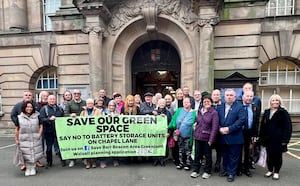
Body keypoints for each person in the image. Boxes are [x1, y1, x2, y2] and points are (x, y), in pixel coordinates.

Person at [259, 94, 292, 180]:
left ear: (280, 102)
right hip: (267, 139)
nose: (275, 102)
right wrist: (261, 138)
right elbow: (262, 126)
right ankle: (270, 170)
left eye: (277, 100)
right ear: (270, 102)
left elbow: (288, 127)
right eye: (273, 100)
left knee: (277, 156)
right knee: (269, 156)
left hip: (278, 139)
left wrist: (285, 140)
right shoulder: (266, 112)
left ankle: (276, 172)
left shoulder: (283, 112)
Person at [217, 89, 246, 182]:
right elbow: (215, 120)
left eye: (231, 95)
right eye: (227, 95)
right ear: (224, 97)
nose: (229, 97)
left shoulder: (240, 107)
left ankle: (231, 173)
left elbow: (241, 121)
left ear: (235, 97)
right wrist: (219, 128)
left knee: (234, 156)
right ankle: (225, 170)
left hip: (235, 136)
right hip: (222, 136)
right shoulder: (220, 107)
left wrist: (229, 129)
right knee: (224, 155)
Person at [10, 90, 43, 170]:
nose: (28, 96)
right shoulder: (17, 105)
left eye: (29, 95)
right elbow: (13, 115)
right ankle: (24, 163)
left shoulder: (37, 106)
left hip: (34, 131)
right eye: (26, 95)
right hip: (23, 132)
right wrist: (18, 124)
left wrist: (39, 133)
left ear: (32, 96)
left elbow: (40, 119)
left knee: (35, 148)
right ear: (23, 96)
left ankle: (36, 161)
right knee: (24, 149)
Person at [190, 96, 219, 179]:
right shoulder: (199, 111)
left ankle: (207, 171)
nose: (206, 103)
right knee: (197, 155)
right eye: (205, 101)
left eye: (208, 101)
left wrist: (211, 139)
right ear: (202, 103)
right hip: (198, 137)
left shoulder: (214, 113)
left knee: (208, 155)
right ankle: (196, 170)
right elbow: (197, 122)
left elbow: (215, 127)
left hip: (207, 138)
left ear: (211, 102)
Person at [15, 101, 43, 176]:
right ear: (24, 108)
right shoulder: (19, 117)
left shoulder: (37, 116)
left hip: (35, 137)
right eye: (27, 107)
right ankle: (28, 168)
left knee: (34, 152)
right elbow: (17, 128)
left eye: (31, 107)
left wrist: (39, 135)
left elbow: (41, 126)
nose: (29, 108)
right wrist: (16, 139)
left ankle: (33, 167)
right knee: (25, 153)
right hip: (24, 138)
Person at [168, 97, 196, 170]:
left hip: (188, 135)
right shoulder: (179, 110)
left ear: (190, 103)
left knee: (188, 150)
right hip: (179, 134)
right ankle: (180, 163)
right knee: (180, 149)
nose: (185, 103)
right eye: (184, 102)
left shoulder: (194, 113)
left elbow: (197, 123)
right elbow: (174, 120)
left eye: (187, 102)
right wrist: (172, 127)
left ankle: (188, 163)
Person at [237, 90, 260, 177]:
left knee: (248, 151)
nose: (249, 98)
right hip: (239, 132)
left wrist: (255, 134)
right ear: (243, 97)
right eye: (247, 96)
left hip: (249, 132)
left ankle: (246, 169)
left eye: (251, 96)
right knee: (238, 151)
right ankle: (238, 169)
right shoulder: (238, 106)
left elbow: (257, 121)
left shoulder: (255, 107)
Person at [40, 95, 65, 168]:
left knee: (61, 147)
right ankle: (49, 162)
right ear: (47, 100)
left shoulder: (60, 109)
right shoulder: (44, 109)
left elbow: (63, 119)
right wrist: (49, 119)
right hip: (48, 131)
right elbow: (41, 119)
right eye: (50, 99)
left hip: (59, 131)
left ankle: (63, 160)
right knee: (49, 148)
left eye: (53, 99)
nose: (52, 100)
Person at [64, 89, 86, 167]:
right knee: (73, 143)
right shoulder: (69, 103)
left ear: (81, 94)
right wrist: (70, 115)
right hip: (73, 127)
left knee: (84, 142)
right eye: (75, 93)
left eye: (78, 93)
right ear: (73, 94)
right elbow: (65, 114)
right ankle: (72, 159)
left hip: (83, 127)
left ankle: (84, 158)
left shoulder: (85, 102)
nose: (76, 95)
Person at [80, 98, 102, 169]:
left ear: (93, 104)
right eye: (88, 104)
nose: (90, 105)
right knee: (87, 147)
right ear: (86, 105)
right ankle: (88, 162)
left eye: (91, 103)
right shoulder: (83, 112)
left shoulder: (98, 111)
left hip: (95, 131)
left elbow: (101, 119)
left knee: (94, 147)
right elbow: (80, 121)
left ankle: (94, 162)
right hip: (86, 132)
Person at [153, 98, 172, 166]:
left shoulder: (168, 112)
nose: (161, 104)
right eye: (160, 103)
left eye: (163, 103)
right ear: (158, 103)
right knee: (155, 146)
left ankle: (162, 160)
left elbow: (170, 123)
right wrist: (156, 115)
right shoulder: (154, 112)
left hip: (164, 133)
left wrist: (169, 132)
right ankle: (155, 160)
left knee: (163, 146)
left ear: (165, 104)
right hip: (155, 133)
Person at [211, 89, 222, 172]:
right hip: (209, 131)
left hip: (219, 131)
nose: (216, 96)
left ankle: (218, 163)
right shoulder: (208, 105)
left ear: (220, 96)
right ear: (212, 96)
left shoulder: (223, 106)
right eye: (214, 94)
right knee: (208, 148)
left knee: (219, 149)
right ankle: (209, 163)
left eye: (217, 94)